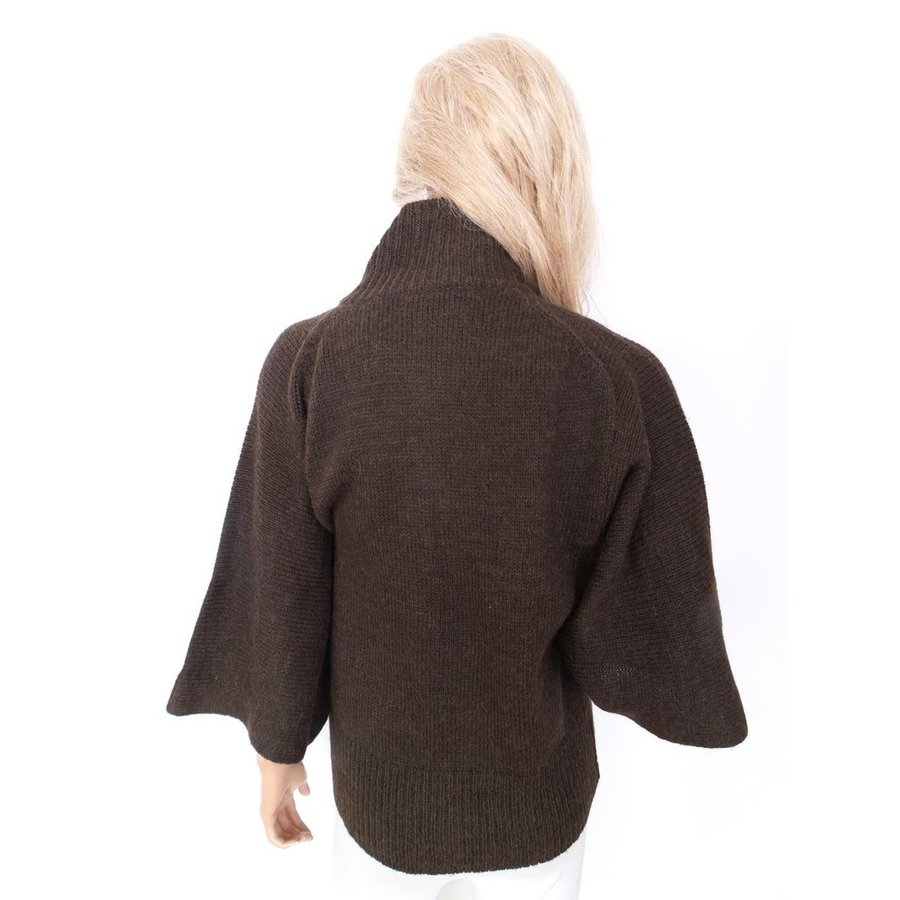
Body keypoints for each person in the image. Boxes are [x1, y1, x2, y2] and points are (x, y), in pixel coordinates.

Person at [166, 33, 748, 900]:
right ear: (549, 164)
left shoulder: (311, 365)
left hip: (380, 810)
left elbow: (283, 594)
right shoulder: (614, 379)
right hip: (538, 809)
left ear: (418, 163)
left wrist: (276, 754)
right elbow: (631, 632)